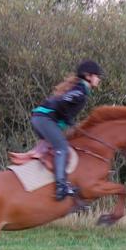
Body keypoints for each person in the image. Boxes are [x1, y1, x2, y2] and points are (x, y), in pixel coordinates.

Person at [31, 59, 104, 199]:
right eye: (97, 76)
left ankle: (45, 181)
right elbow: (63, 101)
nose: (99, 79)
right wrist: (68, 120)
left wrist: (67, 121)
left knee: (56, 148)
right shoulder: (80, 92)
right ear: (88, 76)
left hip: (41, 118)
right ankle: (61, 187)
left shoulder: (79, 89)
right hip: (44, 119)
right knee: (62, 148)